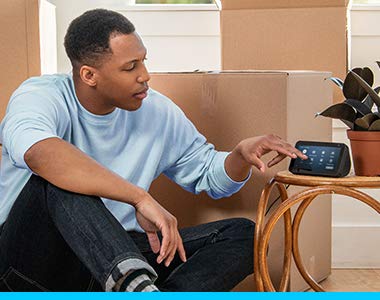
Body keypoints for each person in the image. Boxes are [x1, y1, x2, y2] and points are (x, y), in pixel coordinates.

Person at [0, 9, 306, 292]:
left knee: (243, 234)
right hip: (29, 264)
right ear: (89, 76)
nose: (144, 75)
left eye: (143, 61)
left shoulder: (156, 111)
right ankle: (134, 285)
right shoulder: (41, 96)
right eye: (130, 67)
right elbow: (40, 153)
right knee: (56, 180)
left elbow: (206, 173)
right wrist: (138, 197)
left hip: (112, 259)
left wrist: (239, 155)